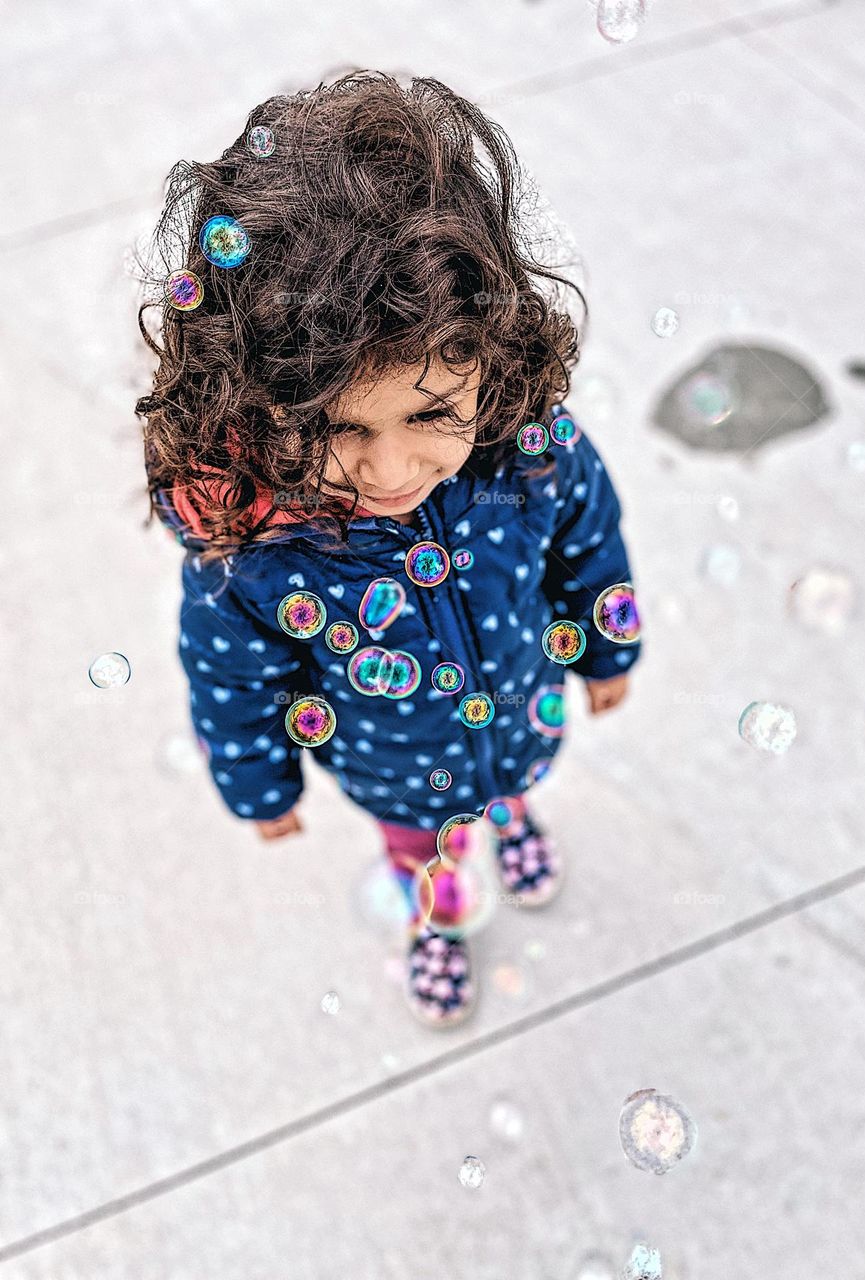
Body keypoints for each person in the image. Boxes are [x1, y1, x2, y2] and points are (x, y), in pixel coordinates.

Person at [136, 70, 642, 1028]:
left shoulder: (529, 455)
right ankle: (435, 914)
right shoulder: (254, 549)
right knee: (427, 849)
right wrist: (259, 783)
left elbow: (590, 546)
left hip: (518, 713)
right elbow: (232, 677)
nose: (391, 467)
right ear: (260, 403)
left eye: (429, 413)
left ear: (490, 356)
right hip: (394, 769)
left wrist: (607, 643)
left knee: (514, 781)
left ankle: (513, 817)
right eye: (338, 430)